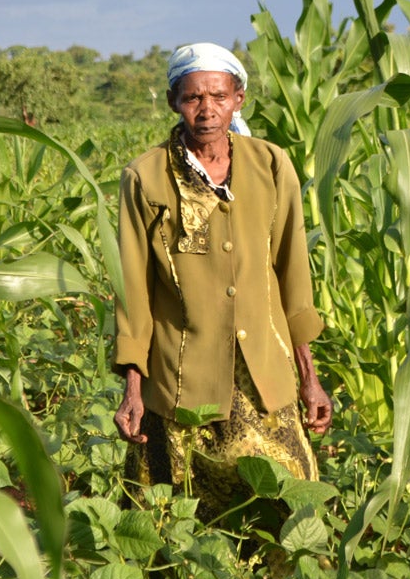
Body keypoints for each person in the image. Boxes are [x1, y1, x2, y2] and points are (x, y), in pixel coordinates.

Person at [113, 42, 333, 518]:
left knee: (287, 503)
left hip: (264, 373)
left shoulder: (271, 166)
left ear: (239, 99)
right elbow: (134, 289)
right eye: (193, 97)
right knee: (182, 512)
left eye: (218, 95)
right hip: (180, 379)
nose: (206, 109)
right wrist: (133, 390)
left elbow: (292, 273)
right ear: (174, 102)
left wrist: (311, 379)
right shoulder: (145, 179)